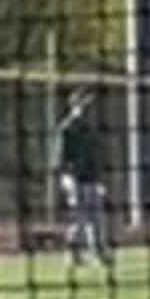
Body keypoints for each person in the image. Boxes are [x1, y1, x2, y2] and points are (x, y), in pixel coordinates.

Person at [55, 87, 109, 265]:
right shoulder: (67, 128)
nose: (88, 108)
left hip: (91, 178)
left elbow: (96, 156)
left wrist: (99, 178)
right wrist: (68, 177)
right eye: (84, 103)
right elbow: (60, 159)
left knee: (97, 218)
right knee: (79, 218)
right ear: (75, 105)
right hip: (75, 179)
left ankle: (99, 253)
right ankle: (72, 254)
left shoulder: (90, 129)